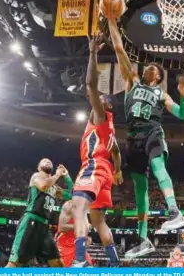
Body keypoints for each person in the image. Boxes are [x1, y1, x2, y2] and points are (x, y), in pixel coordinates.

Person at [108, 14, 184, 259]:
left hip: (153, 131)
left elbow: (182, 115)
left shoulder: (162, 94)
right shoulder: (132, 82)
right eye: (148, 67)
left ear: (159, 77)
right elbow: (119, 49)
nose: (150, 68)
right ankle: (143, 239)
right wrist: (112, 22)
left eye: (155, 69)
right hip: (133, 138)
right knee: (140, 190)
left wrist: (183, 96)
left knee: (158, 167)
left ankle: (174, 210)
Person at [70, 34, 122, 267]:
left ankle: (80, 259)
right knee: (99, 220)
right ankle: (114, 262)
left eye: (99, 100)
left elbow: (90, 84)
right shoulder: (110, 129)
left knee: (78, 208)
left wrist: (92, 52)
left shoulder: (100, 117)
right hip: (106, 173)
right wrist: (118, 171)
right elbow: (117, 152)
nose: (94, 100)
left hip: (92, 166)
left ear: (104, 104)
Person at [6, 159, 69, 267]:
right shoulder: (36, 176)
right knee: (15, 263)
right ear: (39, 167)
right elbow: (43, 186)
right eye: (44, 161)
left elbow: (71, 195)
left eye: (50, 161)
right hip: (31, 222)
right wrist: (57, 175)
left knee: (57, 264)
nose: (48, 161)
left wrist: (67, 177)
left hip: (44, 227)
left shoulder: (54, 187)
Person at [55, 201, 93, 268]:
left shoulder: (84, 207)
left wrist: (86, 238)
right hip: (65, 245)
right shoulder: (69, 205)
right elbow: (61, 227)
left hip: (77, 244)